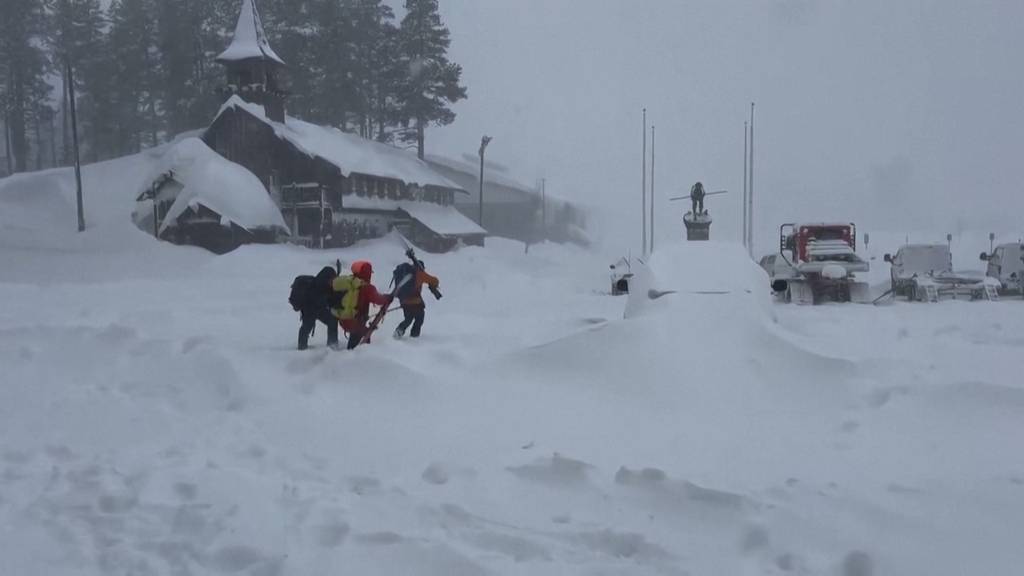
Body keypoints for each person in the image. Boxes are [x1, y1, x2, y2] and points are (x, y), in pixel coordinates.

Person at [333, 260, 392, 350]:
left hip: (344, 319)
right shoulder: (366, 287)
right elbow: (379, 299)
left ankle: (350, 354)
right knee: (363, 340)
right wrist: (388, 298)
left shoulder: (350, 282)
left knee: (356, 337)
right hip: (356, 322)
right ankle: (357, 360)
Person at [393, 260, 440, 339]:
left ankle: (398, 332)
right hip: (416, 302)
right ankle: (414, 337)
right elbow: (434, 280)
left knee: (408, 319)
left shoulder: (407, 273)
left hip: (404, 301)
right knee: (420, 318)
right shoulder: (419, 274)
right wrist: (434, 286)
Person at [297, 266, 339, 350]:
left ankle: (332, 345)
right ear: (327, 278)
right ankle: (302, 347)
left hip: (319, 309)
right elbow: (319, 300)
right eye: (332, 279)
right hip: (309, 310)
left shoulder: (328, 286)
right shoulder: (316, 286)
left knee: (332, 321)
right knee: (306, 327)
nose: (333, 281)